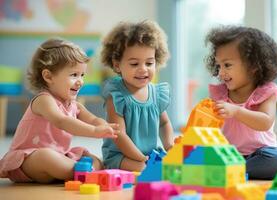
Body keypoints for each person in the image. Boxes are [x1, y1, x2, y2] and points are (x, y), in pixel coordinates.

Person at [0, 38, 119, 183]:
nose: (80, 81)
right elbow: (62, 121)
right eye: (74, 75)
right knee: (46, 156)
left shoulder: (74, 104)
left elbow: (93, 119)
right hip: (29, 160)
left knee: (91, 157)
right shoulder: (44, 100)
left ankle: (82, 170)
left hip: (59, 156)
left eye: (82, 75)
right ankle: (81, 172)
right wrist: (94, 132)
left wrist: (103, 126)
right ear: (48, 76)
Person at [205, 25, 277, 180]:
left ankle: (232, 171)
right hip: (228, 153)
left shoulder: (266, 93)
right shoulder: (219, 93)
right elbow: (210, 126)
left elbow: (265, 122)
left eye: (227, 65)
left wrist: (236, 111)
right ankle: (230, 169)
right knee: (202, 154)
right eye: (219, 66)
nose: (221, 72)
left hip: (259, 154)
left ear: (253, 67)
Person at [101, 20, 174, 172]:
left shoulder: (157, 94)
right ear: (117, 65)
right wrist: (142, 158)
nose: (143, 69)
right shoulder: (117, 95)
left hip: (150, 154)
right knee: (148, 170)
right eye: (134, 64)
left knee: (170, 168)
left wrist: (170, 146)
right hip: (121, 155)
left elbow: (164, 123)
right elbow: (118, 135)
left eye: (149, 63)